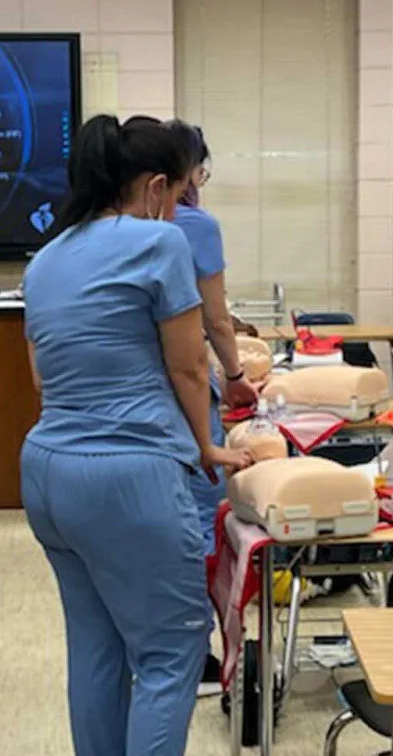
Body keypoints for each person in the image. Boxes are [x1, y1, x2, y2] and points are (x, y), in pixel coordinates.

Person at [20, 114, 251, 756]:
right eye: (182, 189)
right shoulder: (160, 241)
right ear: (155, 188)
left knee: (95, 648)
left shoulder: (46, 257)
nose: (185, 204)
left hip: (50, 470)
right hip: (131, 473)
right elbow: (188, 365)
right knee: (167, 652)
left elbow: (42, 374)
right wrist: (208, 448)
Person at [162, 119, 260, 560]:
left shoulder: (79, 242)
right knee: (200, 508)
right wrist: (236, 375)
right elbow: (215, 320)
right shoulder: (194, 226)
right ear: (189, 173)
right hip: (183, 384)